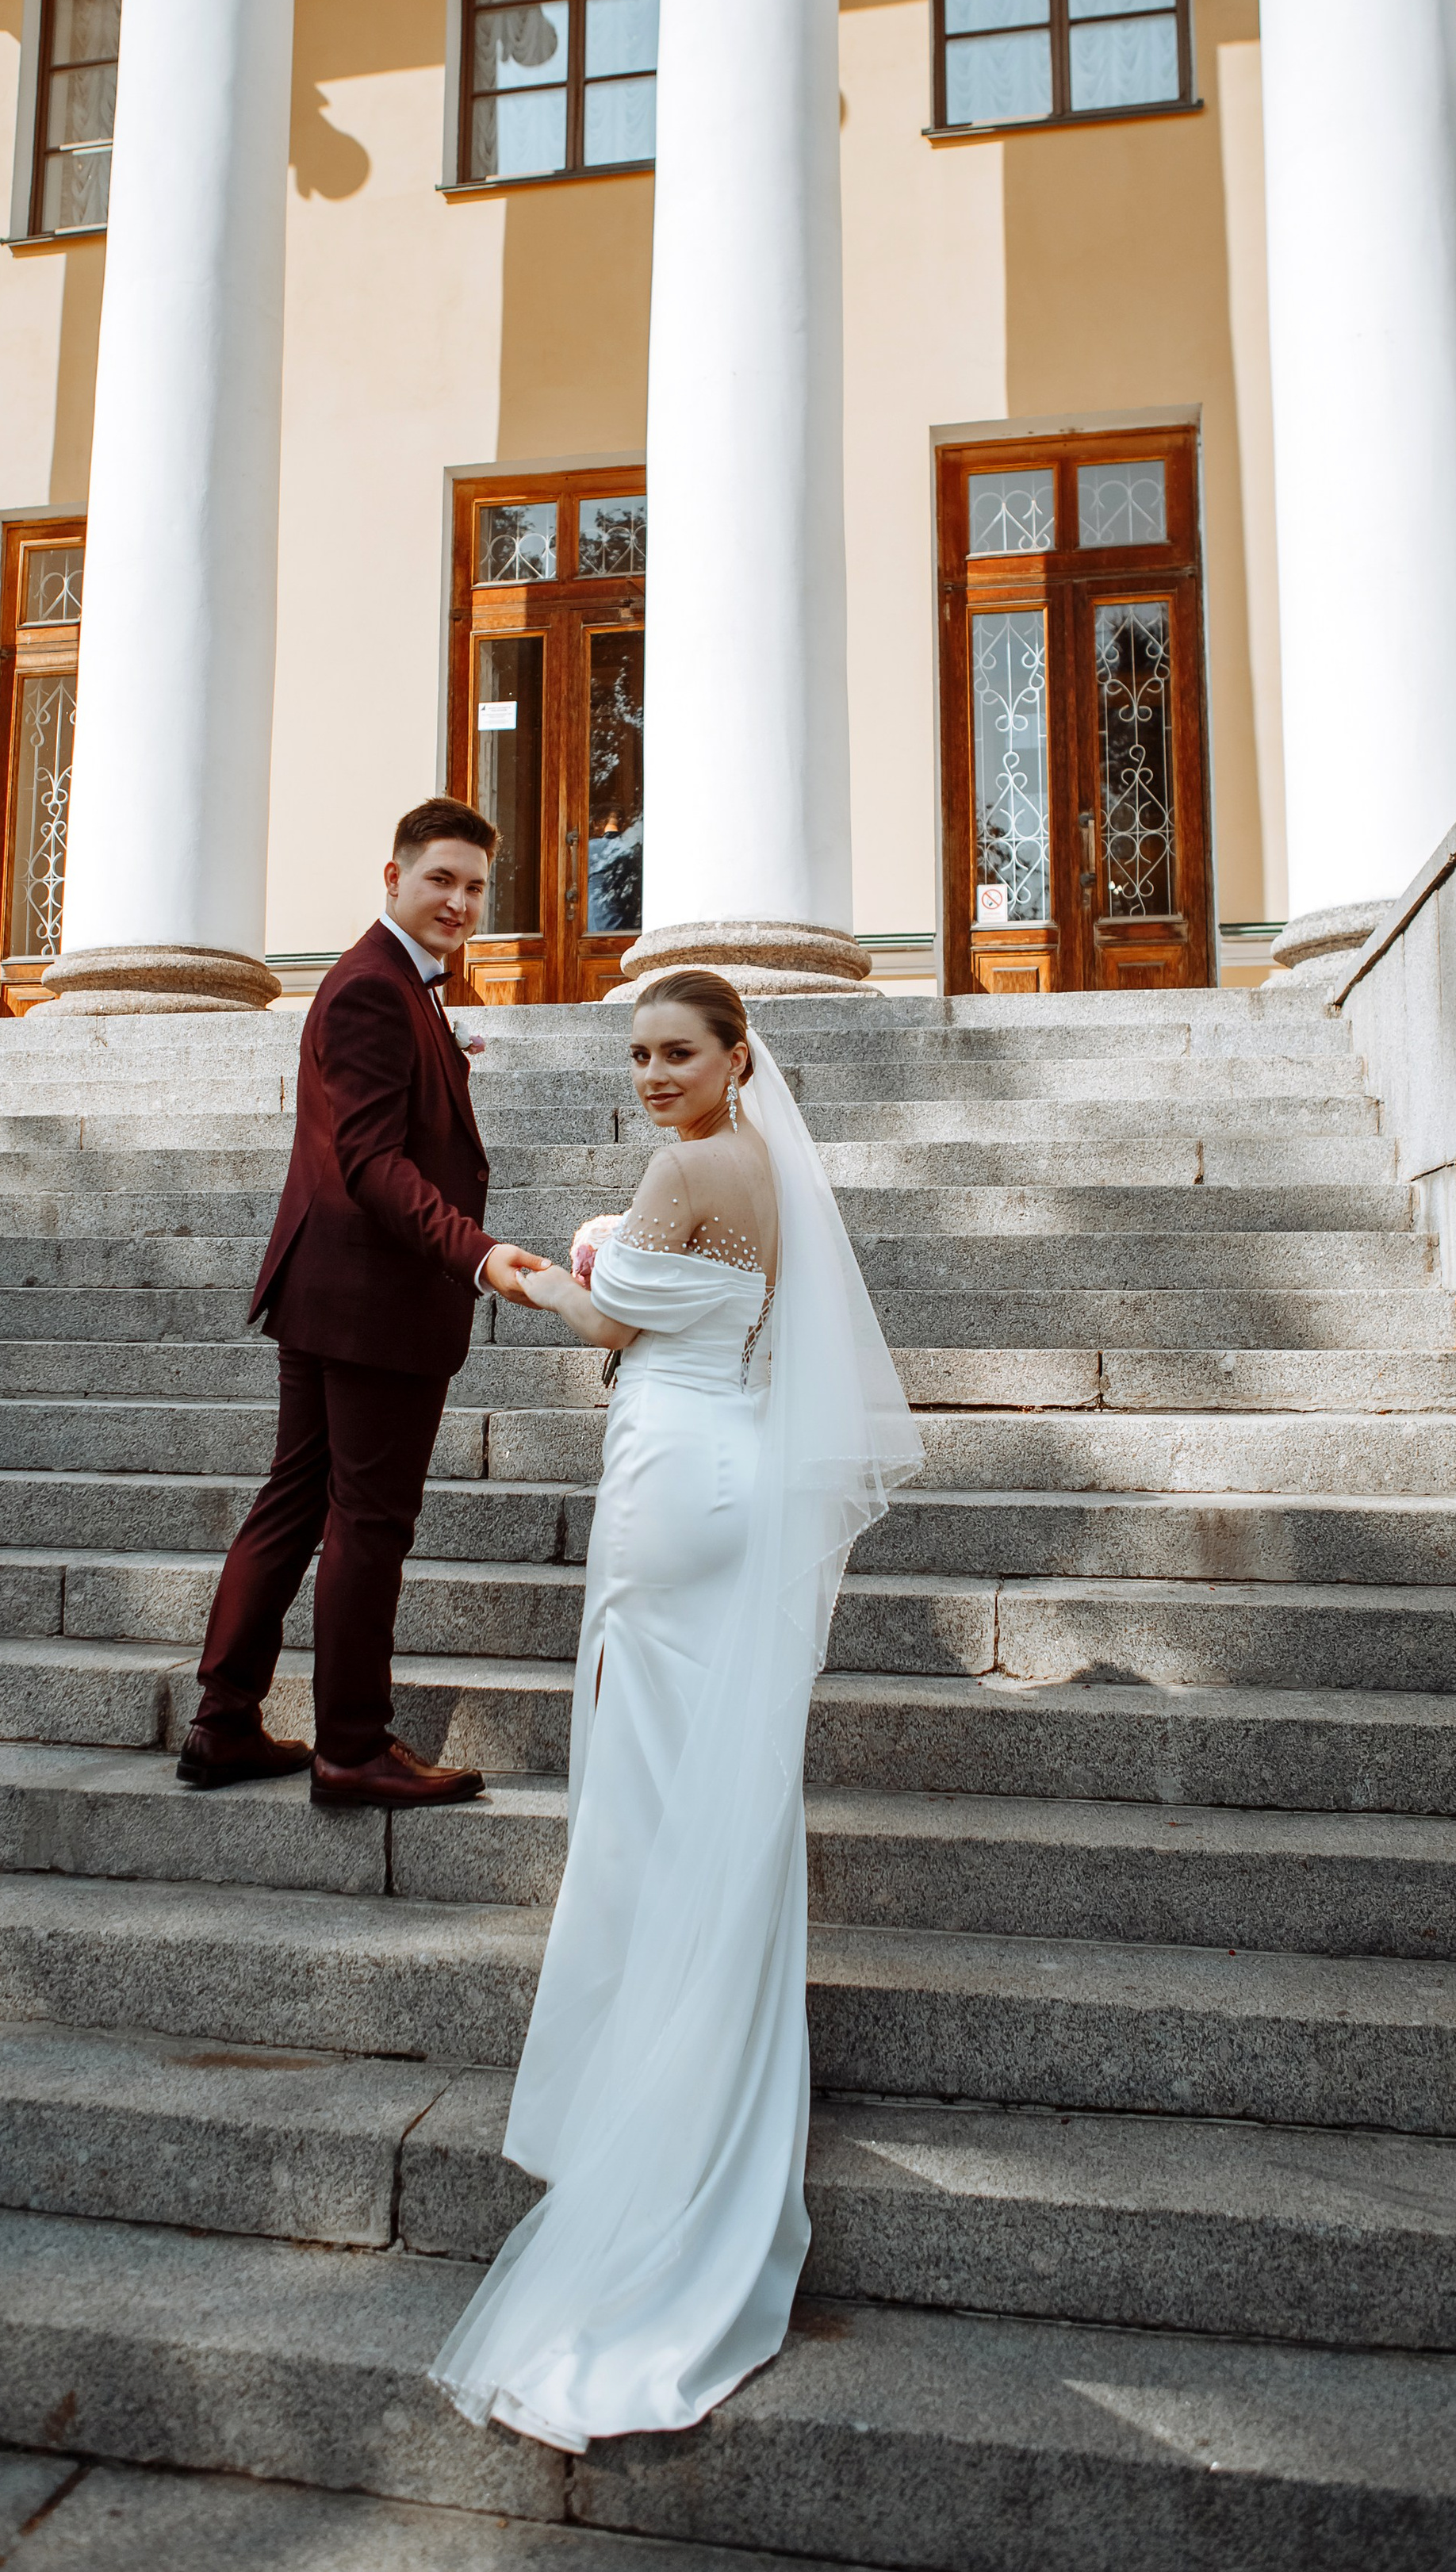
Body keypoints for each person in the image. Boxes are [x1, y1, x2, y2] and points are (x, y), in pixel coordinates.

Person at [430, 969, 921, 2447]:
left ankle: (650, 2089)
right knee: (718, 1783)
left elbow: (612, 1320)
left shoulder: (685, 1162)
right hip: (733, 1472)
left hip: (669, 1488)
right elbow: (692, 1295)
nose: (652, 1073)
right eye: (638, 1054)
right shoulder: (765, 1165)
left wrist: (513, 1269)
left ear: (735, 1057)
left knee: (646, 1798)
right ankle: (701, 2064)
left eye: (677, 1052)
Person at [175, 799, 548, 1810]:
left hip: (329, 1289)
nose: (460, 902)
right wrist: (480, 1258)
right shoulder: (372, 990)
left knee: (295, 1503)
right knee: (367, 1523)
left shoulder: (399, 987)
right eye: (440, 880)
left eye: (474, 886)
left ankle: (223, 1724)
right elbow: (373, 1166)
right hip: (373, 1300)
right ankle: (351, 1746)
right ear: (393, 879)